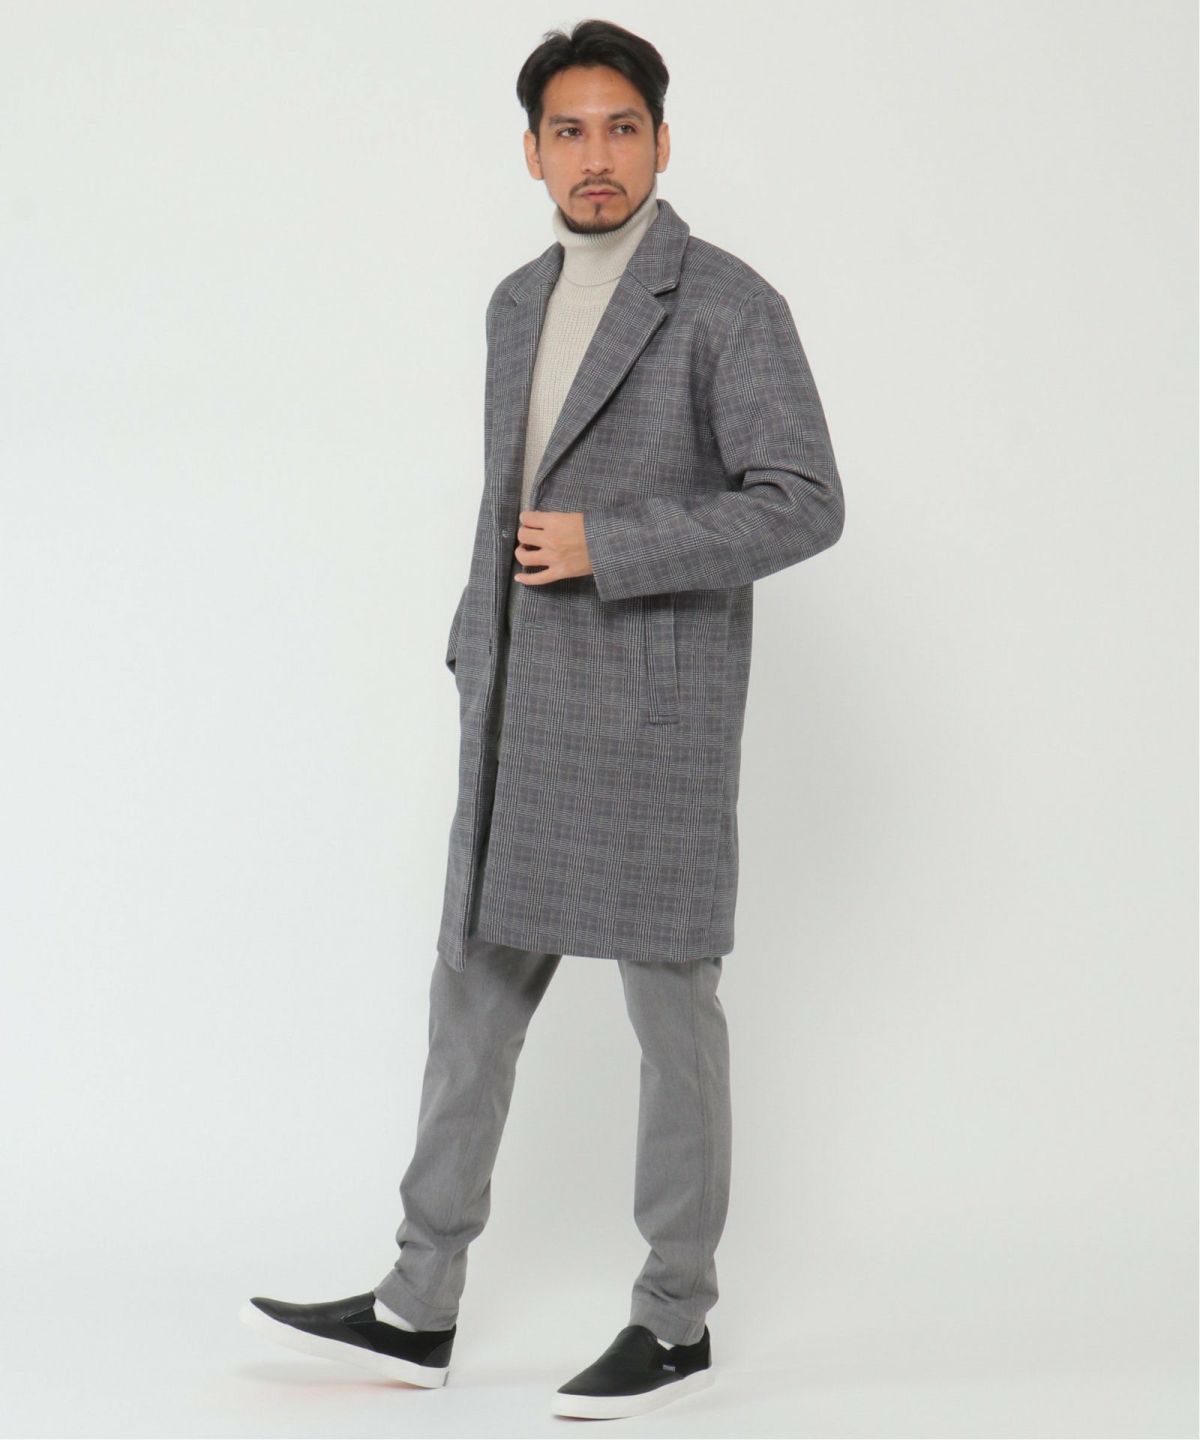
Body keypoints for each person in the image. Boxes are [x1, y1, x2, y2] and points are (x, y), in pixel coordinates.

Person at [240, 17, 844, 1422]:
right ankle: (417, 1305)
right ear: (531, 153)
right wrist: (475, 646)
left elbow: (804, 502)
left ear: (663, 142)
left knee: (672, 1025)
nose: (596, 155)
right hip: (520, 711)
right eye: (568, 131)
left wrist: (607, 546)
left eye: (622, 127)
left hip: (652, 723)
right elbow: (502, 496)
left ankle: (676, 1322)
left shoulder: (727, 303)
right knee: (468, 1007)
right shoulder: (516, 301)